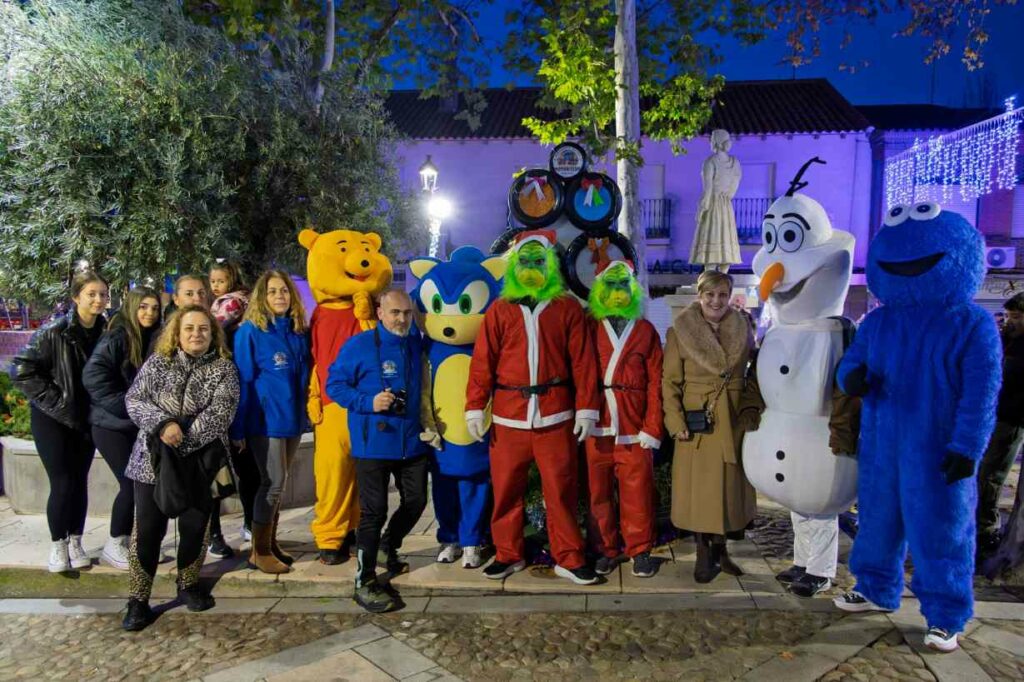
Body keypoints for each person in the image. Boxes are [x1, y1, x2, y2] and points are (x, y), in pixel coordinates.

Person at [834, 204, 1001, 653]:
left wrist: (967, 446)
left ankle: (947, 612)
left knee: (941, 529)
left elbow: (981, 394)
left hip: (938, 447)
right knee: (878, 520)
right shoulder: (879, 322)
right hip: (883, 444)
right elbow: (851, 365)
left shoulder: (972, 324)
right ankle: (874, 586)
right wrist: (851, 377)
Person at [466, 229, 601, 586]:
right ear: (514, 267)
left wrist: (587, 408)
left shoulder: (567, 307)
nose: (530, 267)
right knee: (506, 489)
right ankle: (508, 554)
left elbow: (584, 363)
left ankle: (568, 557)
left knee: (561, 490)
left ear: (550, 265)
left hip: (555, 416)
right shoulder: (499, 310)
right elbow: (482, 362)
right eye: (524, 261)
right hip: (509, 417)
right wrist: (475, 407)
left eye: (537, 261)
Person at [121, 305, 239, 631]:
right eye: (189, 328)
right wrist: (162, 424)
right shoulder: (158, 363)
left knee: (195, 527)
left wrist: (183, 441)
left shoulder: (224, 368)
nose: (196, 334)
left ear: (213, 334)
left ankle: (188, 584)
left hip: (200, 462)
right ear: (177, 331)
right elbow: (135, 399)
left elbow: (222, 412)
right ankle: (138, 599)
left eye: (203, 328)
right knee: (147, 530)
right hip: (152, 462)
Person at [326, 288, 429, 613]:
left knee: (416, 501)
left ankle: (388, 545)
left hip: (411, 441)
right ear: (380, 313)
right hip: (372, 444)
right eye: (395, 313)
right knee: (374, 512)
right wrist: (368, 402)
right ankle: (365, 580)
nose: (401, 319)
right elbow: (335, 386)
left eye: (407, 313)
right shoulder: (358, 345)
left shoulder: (415, 344)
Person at [662, 270, 759, 583]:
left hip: (733, 418)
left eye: (722, 295)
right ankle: (704, 555)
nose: (716, 301)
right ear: (699, 296)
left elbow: (755, 369)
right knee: (700, 492)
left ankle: (722, 551)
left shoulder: (742, 326)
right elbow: (669, 381)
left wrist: (750, 410)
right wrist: (675, 420)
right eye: (710, 295)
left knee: (730, 490)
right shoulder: (680, 332)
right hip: (698, 420)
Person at [12, 269, 109, 573]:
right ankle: (58, 545)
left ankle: (76, 541)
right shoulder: (53, 331)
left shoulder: (105, 330)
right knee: (62, 481)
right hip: (52, 418)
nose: (98, 299)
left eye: (102, 294)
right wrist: (56, 402)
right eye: (91, 294)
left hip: (84, 418)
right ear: (76, 297)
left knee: (80, 481)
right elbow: (21, 370)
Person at [585, 260, 663, 578]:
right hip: (597, 422)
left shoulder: (645, 330)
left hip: (634, 424)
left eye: (623, 285)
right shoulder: (589, 328)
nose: (618, 292)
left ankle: (640, 548)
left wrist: (653, 425)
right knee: (597, 491)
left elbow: (656, 381)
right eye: (612, 285)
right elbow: (580, 373)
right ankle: (606, 548)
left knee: (638, 491)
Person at [230, 270, 310, 574]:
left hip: (291, 419)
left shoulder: (296, 331)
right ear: (261, 297)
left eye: (284, 291)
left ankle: (271, 543)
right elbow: (244, 381)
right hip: (264, 421)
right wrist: (238, 427)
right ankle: (259, 551)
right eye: (273, 291)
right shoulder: (250, 332)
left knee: (280, 483)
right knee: (272, 484)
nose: (279, 296)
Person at [82, 286, 162, 570]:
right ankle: (114, 543)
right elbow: (93, 376)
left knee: (141, 483)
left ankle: (132, 542)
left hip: (132, 423)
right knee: (129, 482)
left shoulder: (152, 336)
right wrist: (128, 405)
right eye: (143, 307)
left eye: (154, 308)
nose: (149, 313)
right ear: (132, 307)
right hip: (110, 425)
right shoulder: (118, 336)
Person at [976, 292, 1024, 563]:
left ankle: (986, 530)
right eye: (1007, 316)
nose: (1009, 322)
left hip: (1012, 419)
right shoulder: (1005, 341)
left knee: (990, 475)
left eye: (1015, 317)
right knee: (984, 474)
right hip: (996, 416)